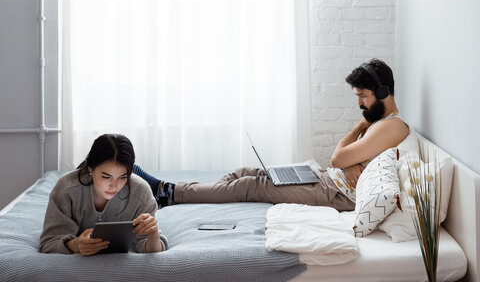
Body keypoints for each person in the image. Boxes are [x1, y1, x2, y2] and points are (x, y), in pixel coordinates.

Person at [133, 59, 409, 212]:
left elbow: (337, 157)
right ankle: (202, 197)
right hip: (327, 179)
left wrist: (355, 134)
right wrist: (351, 160)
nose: (359, 104)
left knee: (249, 186)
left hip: (334, 193)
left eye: (363, 96)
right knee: (245, 171)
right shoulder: (379, 122)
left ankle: (169, 192)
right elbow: (342, 161)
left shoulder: (392, 126)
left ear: (383, 93)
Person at [39, 134, 168, 255]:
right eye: (106, 177)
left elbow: (151, 250)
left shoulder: (141, 192)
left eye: (123, 177)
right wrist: (76, 245)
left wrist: (154, 235)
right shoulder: (66, 190)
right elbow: (48, 243)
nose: (115, 186)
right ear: (90, 168)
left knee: (167, 193)